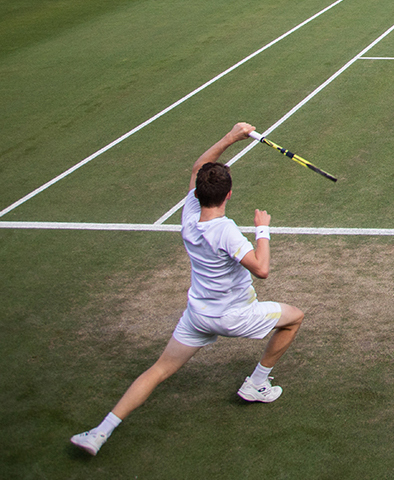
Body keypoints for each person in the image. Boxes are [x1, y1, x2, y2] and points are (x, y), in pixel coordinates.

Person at [70, 123, 305, 457]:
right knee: (294, 318)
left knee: (159, 370)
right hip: (234, 316)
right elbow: (262, 269)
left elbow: (199, 168)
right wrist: (263, 230)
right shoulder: (226, 232)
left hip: (198, 315)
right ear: (229, 194)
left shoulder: (190, 215)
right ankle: (256, 383)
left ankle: (99, 432)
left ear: (197, 193)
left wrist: (230, 137)